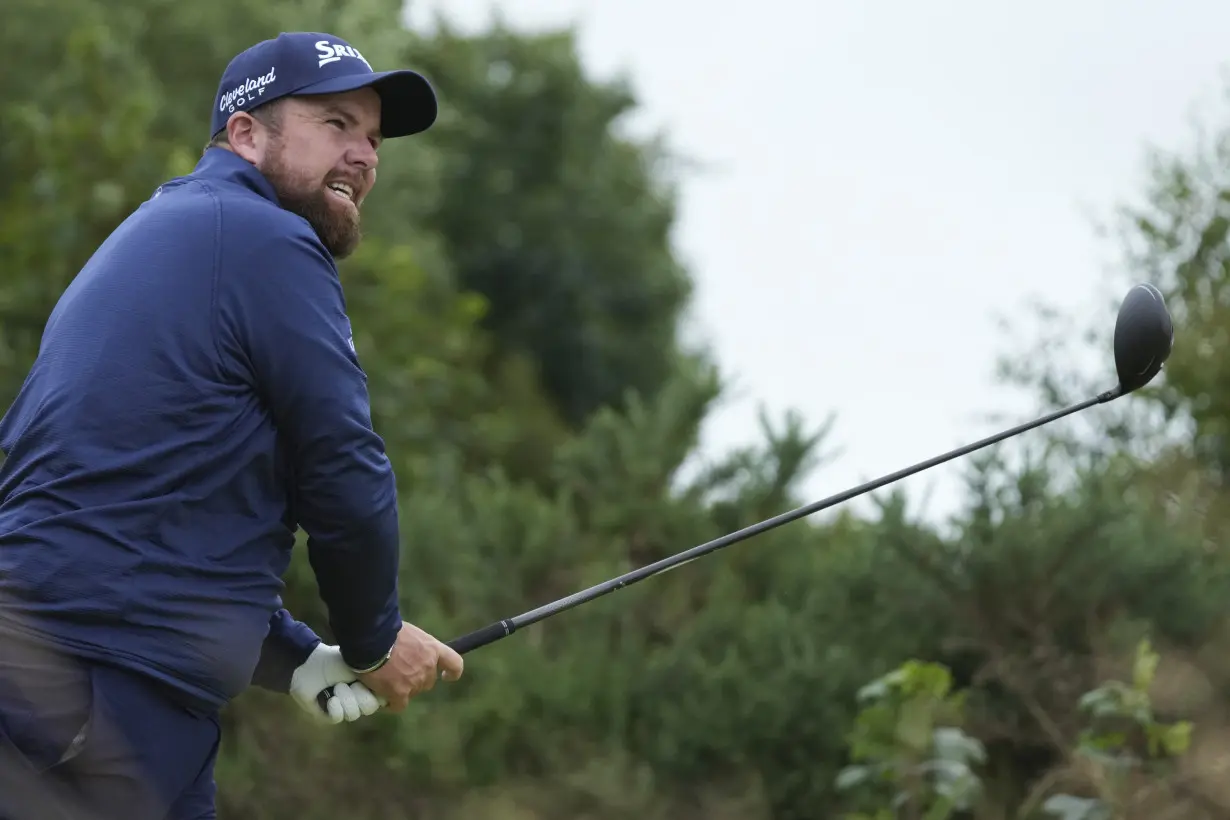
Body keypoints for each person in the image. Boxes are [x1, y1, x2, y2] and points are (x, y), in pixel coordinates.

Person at [0, 31, 464, 819]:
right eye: (336, 124)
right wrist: (372, 641)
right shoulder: (265, 240)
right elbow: (343, 466)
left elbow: (165, 506)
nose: (364, 156)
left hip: (102, 682)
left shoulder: (177, 230)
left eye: (374, 139)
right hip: (92, 687)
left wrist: (297, 660)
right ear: (246, 133)